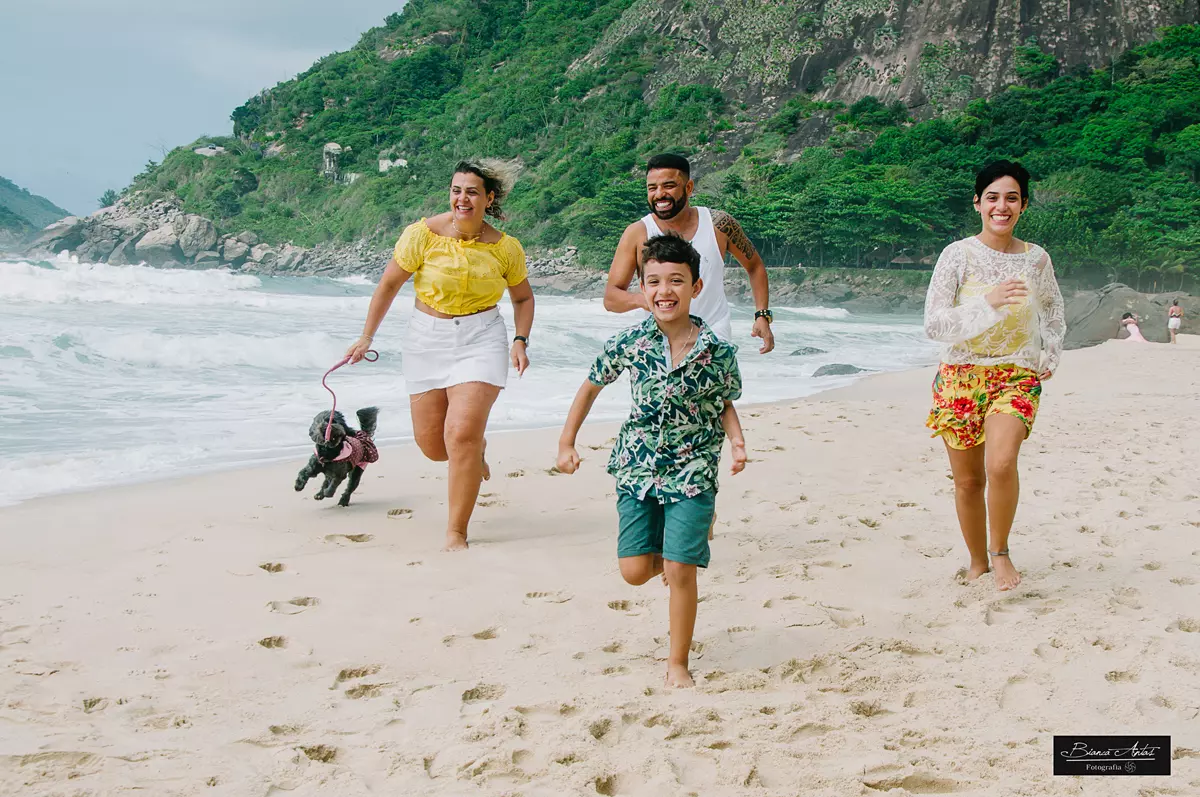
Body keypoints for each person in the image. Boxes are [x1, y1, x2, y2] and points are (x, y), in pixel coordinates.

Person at [557, 234, 746, 688]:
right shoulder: (628, 342)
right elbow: (589, 388)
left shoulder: (717, 351)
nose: (665, 290)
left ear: (696, 287)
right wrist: (567, 442)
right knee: (635, 572)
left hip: (694, 466)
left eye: (677, 280)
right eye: (655, 281)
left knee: (681, 569)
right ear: (642, 289)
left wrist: (737, 442)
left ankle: (677, 662)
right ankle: (679, 541)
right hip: (637, 465)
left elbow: (722, 402)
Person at [346, 159, 535, 551]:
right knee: (434, 447)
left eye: (471, 191)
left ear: (489, 198)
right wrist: (366, 337)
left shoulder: (505, 248)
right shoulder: (422, 235)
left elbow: (522, 297)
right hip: (425, 340)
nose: (462, 198)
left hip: (481, 338)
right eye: (456, 190)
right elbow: (388, 286)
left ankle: (456, 532)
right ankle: (476, 450)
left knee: (460, 435)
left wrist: (520, 340)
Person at [924, 160, 1065, 591]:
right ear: (978, 203)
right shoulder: (958, 255)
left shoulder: (1036, 259)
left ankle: (1000, 552)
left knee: (1001, 463)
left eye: (1011, 198)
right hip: (960, 375)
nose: (1001, 206)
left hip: (1015, 373)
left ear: (1022, 205)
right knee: (968, 480)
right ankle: (977, 560)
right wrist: (989, 302)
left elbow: (1053, 312)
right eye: (992, 197)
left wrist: (1050, 352)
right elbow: (934, 324)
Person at [604, 153, 775, 354]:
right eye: (652, 188)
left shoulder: (719, 224)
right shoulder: (637, 233)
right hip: (659, 347)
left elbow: (754, 266)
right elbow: (611, 298)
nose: (659, 194)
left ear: (689, 188)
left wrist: (762, 315)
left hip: (714, 340)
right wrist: (649, 301)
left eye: (668, 186)